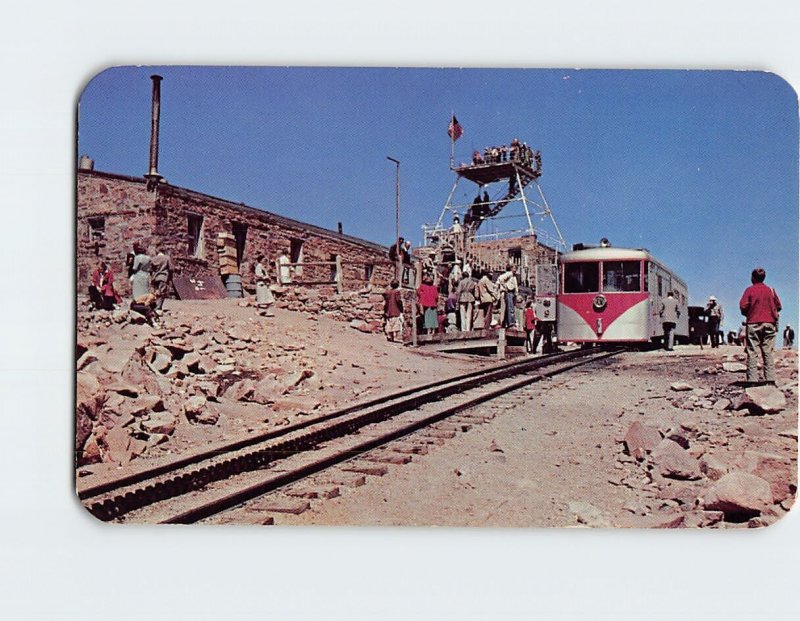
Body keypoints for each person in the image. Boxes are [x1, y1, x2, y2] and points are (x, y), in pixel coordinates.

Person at [739, 267, 782, 384]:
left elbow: (743, 306)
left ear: (753, 278)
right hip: (769, 323)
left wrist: (749, 312)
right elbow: (779, 306)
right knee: (768, 352)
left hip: (753, 322)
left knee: (752, 351)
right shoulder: (771, 290)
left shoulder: (749, 290)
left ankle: (752, 380)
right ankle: (770, 379)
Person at [496, 264, 519, 328]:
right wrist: (506, 286)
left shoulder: (514, 276)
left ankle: (508, 322)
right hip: (509, 292)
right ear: (511, 268)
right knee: (510, 308)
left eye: (516, 268)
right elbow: (500, 279)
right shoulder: (509, 274)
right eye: (514, 268)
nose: (515, 270)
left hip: (512, 293)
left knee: (510, 308)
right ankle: (511, 322)